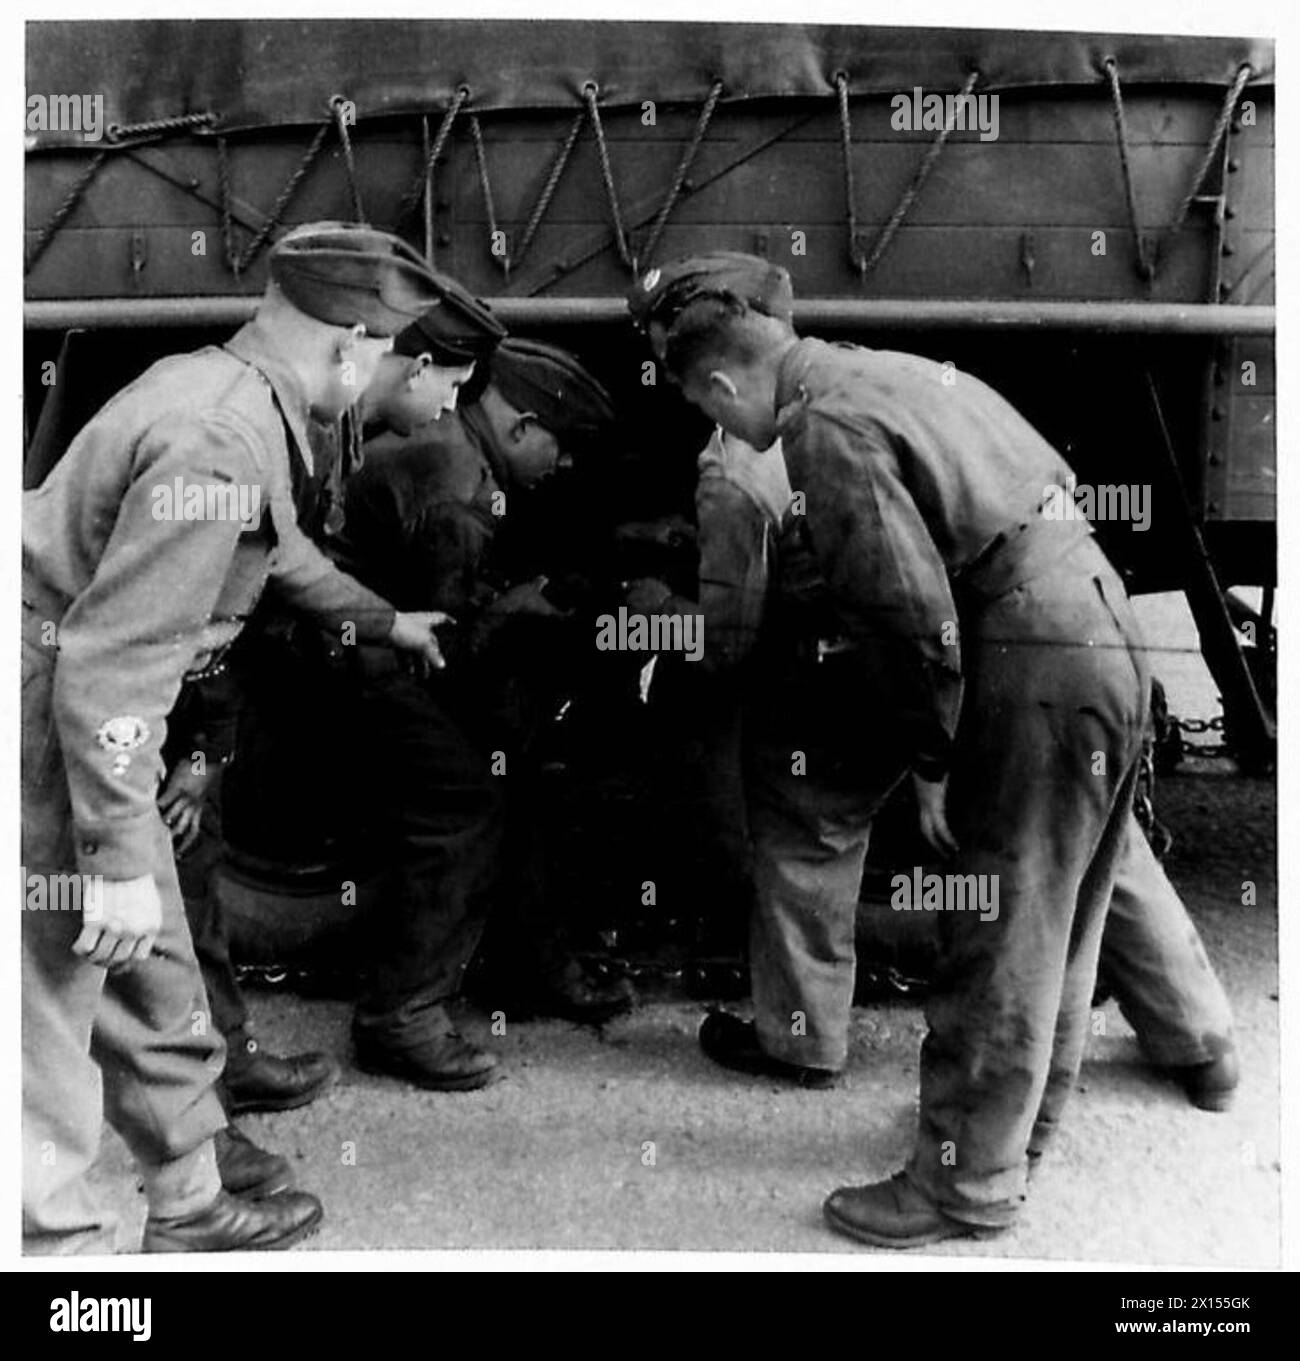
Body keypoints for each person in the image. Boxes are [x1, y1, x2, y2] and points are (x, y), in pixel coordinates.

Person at [631, 251, 1235, 1249]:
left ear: (723, 385)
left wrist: (932, 751)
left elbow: (906, 611)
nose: (723, 431)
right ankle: (1023, 1129)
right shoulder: (884, 368)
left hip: (1032, 652)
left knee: (996, 930)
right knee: (1065, 911)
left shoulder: (818, 424)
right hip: (1091, 607)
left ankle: (962, 1183)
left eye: (708, 407)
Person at [22, 220, 452, 1253]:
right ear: (349, 345)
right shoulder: (218, 441)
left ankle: (184, 1199)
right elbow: (109, 663)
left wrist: (380, 617)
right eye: (390, 352)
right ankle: (49, 1246)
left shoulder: (227, 391)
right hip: (57, 703)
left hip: (83, 692)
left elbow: (279, 549)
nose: (389, 371)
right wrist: (119, 857)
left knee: (145, 956)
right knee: (53, 977)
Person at [320, 332, 635, 1094]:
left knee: (535, 765)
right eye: (560, 449)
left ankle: (523, 964)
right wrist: (527, 609)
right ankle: (400, 1014)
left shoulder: (465, 450)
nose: (562, 466)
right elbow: (451, 648)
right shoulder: (455, 485)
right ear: (522, 427)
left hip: (386, 638)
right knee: (466, 799)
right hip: (359, 660)